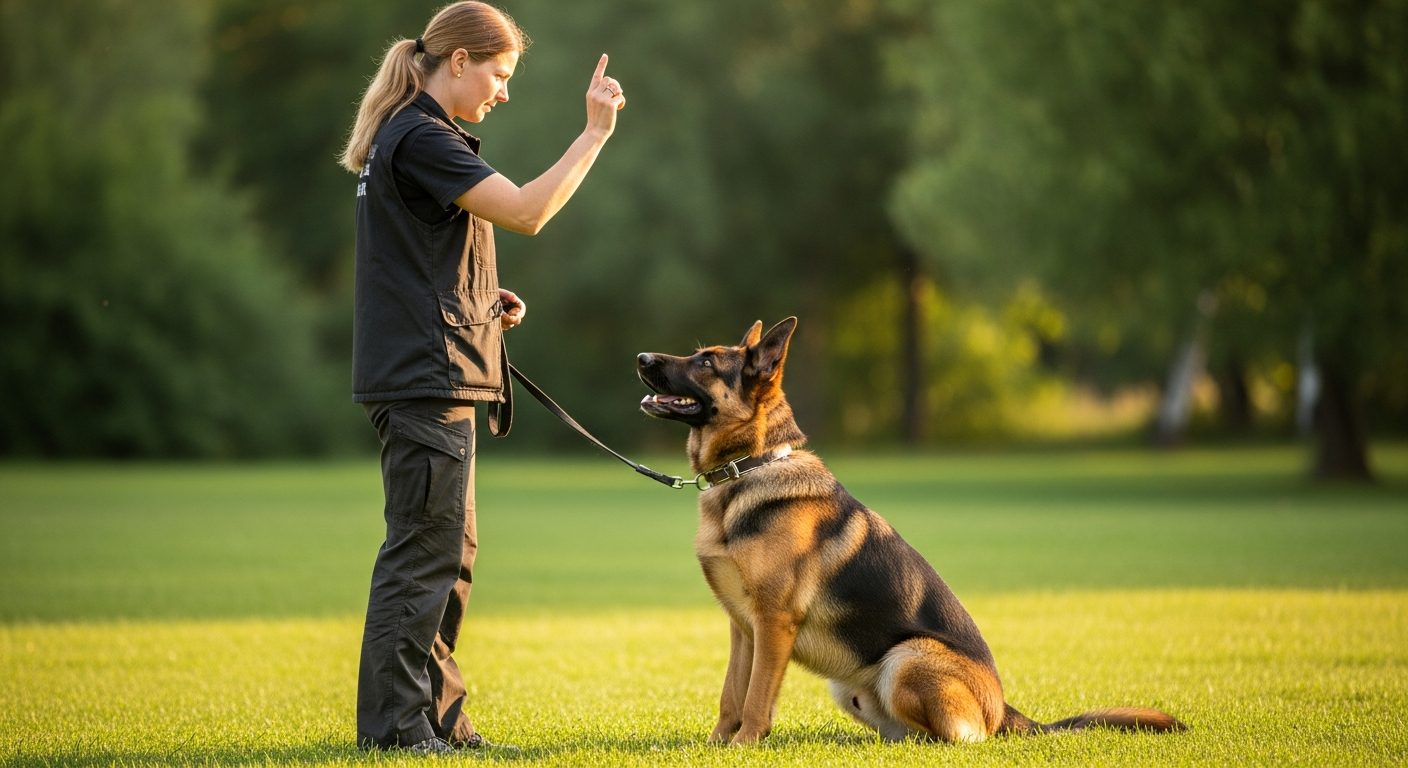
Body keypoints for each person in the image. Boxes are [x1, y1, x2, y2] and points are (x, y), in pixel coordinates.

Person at [338, 1, 625, 754]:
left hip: (435, 375)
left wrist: (480, 301)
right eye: (499, 74)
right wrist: (593, 133)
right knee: (421, 559)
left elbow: (417, 258)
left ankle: (439, 722)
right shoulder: (422, 136)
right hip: (426, 383)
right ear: (457, 61)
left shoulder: (410, 136)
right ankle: (397, 733)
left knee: (448, 561)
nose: (504, 91)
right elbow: (527, 212)